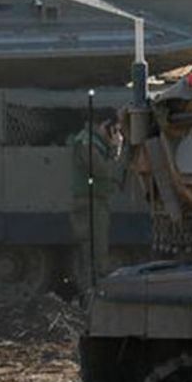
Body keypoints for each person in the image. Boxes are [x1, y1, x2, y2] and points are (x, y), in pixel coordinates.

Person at [69, 116, 122, 283]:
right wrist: (116, 148)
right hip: (89, 202)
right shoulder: (87, 143)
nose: (115, 134)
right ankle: (93, 289)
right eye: (114, 130)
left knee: (97, 247)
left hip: (97, 201)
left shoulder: (95, 142)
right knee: (94, 250)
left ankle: (94, 285)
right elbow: (102, 170)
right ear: (105, 125)